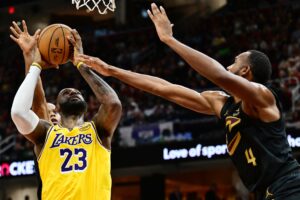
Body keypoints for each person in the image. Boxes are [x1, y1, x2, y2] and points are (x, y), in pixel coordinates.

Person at [75, 3, 300, 199]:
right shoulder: (222, 103)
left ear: (245, 71)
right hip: (268, 191)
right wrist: (112, 71)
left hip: (289, 184)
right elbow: (166, 89)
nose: (229, 66)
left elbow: (220, 75)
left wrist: (169, 40)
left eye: (234, 62)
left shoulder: (263, 97)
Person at [10, 23, 122, 200]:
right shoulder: (47, 132)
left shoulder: (97, 131)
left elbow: (113, 104)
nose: (73, 92)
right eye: (66, 92)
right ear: (58, 108)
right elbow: (21, 111)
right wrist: (34, 64)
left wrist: (81, 65)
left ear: (87, 105)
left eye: (77, 92)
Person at [10, 20, 60, 125]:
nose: (52, 114)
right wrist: (28, 55)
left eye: (55, 112)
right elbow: (38, 100)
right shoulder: (47, 134)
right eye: (48, 111)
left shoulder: (83, 132)